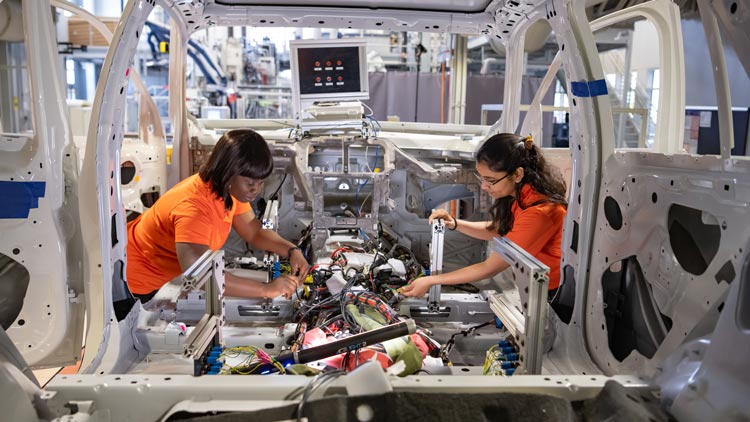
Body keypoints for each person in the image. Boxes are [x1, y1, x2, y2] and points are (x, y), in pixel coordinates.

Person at [126, 129, 309, 304]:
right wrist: (267, 290)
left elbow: (253, 231)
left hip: (158, 275)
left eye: (261, 182)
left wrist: (292, 250)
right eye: (250, 183)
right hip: (132, 282)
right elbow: (201, 276)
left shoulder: (228, 190)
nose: (256, 190)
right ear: (228, 173)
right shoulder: (194, 208)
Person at [401, 133, 567, 299]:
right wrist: (454, 222)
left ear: (517, 174)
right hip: (538, 287)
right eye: (481, 178)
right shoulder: (523, 197)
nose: (485, 187)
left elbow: (490, 268)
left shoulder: (540, 212)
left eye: (490, 180)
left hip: (554, 295)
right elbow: (498, 230)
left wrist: (431, 281)